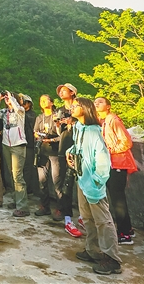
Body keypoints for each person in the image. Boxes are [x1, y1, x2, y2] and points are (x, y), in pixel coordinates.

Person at [68, 97, 122, 275]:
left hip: (92, 182)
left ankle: (112, 258)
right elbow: (79, 147)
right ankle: (93, 250)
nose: (72, 107)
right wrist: (71, 152)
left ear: (84, 109)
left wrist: (98, 181)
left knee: (103, 221)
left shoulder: (94, 131)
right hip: (82, 178)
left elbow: (102, 159)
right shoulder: (78, 127)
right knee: (87, 218)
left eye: (76, 105)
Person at [95, 97, 137, 244]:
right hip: (112, 163)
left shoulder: (112, 119)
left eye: (100, 102)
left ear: (108, 106)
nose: (97, 103)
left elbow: (126, 142)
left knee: (118, 198)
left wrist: (109, 151)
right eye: (95, 102)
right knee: (118, 197)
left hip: (119, 162)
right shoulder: (103, 121)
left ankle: (124, 234)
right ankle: (128, 228)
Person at [0, 91, 29, 217]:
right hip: (6, 145)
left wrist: (11, 98)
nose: (7, 100)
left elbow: (18, 108)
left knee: (18, 176)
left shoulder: (21, 111)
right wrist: (0, 98)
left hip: (18, 145)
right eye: (6, 98)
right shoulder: (4, 112)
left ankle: (23, 207)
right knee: (11, 174)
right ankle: (16, 200)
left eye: (10, 98)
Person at [55, 83, 82, 238]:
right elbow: (59, 132)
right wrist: (59, 124)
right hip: (64, 147)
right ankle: (68, 219)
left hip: (80, 148)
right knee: (66, 184)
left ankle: (83, 217)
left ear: (72, 92)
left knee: (83, 185)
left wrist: (72, 121)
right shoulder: (60, 111)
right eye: (60, 91)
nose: (61, 93)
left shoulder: (80, 108)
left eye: (64, 90)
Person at [22, 95, 41, 199]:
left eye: (24, 102)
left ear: (29, 104)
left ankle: (27, 189)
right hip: (21, 143)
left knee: (28, 168)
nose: (22, 105)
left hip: (29, 144)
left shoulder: (32, 115)